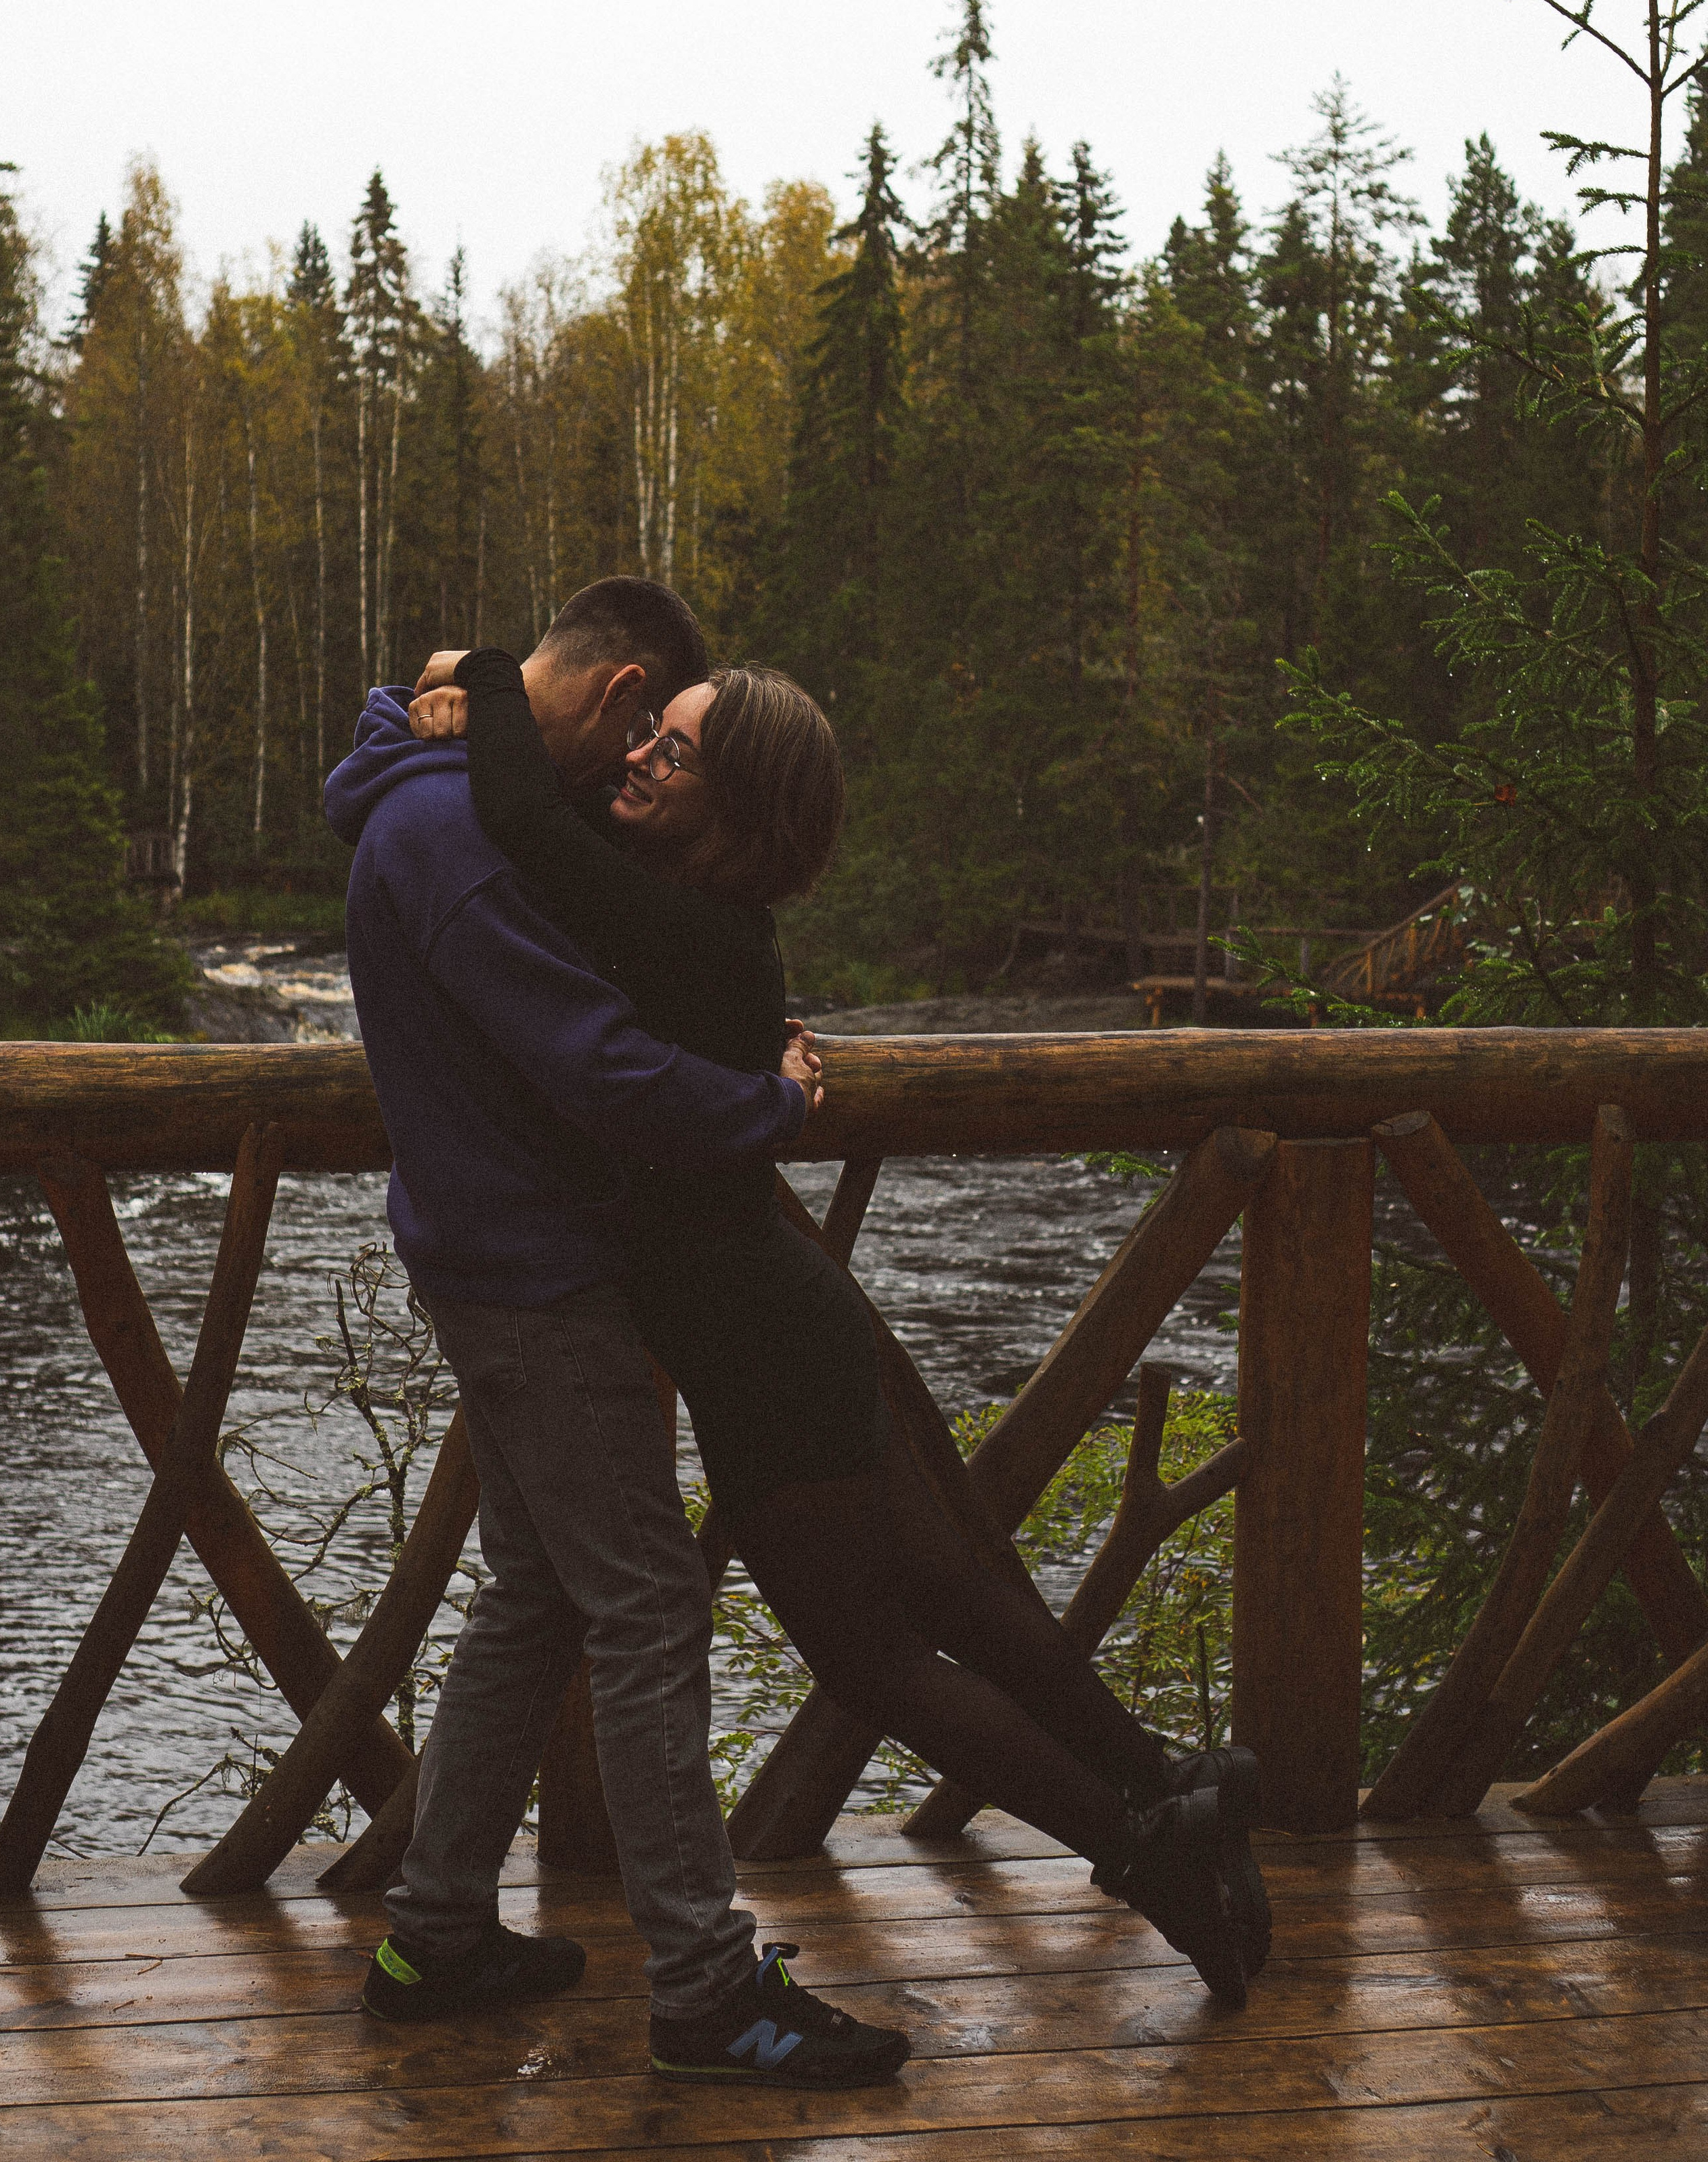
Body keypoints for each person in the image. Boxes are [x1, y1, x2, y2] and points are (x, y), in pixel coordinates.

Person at [408, 639, 1271, 2006]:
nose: (636, 756)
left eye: (672, 750)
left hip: (761, 1354)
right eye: (645, 736)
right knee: (966, 1599)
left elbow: (520, 813)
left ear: (734, 813)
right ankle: (1167, 1785)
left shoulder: (676, 931)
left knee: (875, 1664)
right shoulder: (699, 924)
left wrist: (485, 668)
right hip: (789, 1313)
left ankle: (1143, 1852)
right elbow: (554, 812)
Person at [325, 577, 912, 2090]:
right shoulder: (453, 833)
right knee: (647, 1605)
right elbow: (601, 1068)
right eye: (642, 732)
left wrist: (449, 684)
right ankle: (711, 1995)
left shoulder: (433, 790)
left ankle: (436, 1932)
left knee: (536, 1592)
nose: (633, 767)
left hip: (494, 1253)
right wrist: (771, 1106)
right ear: (617, 693)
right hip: (529, 1272)